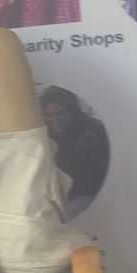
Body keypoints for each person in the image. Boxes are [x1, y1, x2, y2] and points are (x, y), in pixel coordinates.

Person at [40, 86, 110, 220]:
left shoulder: (94, 130)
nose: (56, 120)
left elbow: (95, 178)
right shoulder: (44, 132)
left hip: (88, 196)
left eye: (62, 113)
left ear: (74, 111)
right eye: (49, 115)